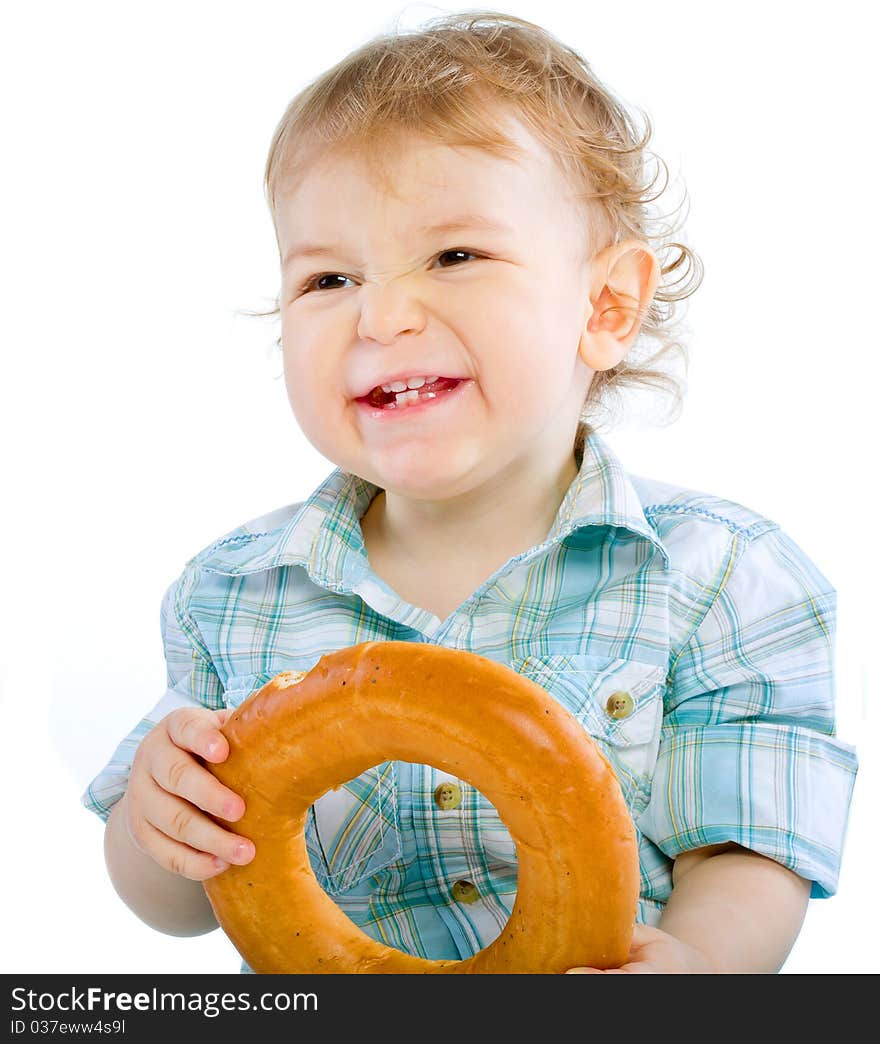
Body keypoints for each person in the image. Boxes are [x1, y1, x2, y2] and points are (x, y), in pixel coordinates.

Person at [81, 10, 858, 974]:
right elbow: (175, 905)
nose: (383, 313)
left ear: (605, 305)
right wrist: (159, 822)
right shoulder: (233, 594)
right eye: (328, 277)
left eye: (454, 256)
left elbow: (747, 853)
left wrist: (699, 968)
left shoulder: (722, 577)